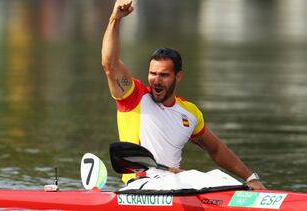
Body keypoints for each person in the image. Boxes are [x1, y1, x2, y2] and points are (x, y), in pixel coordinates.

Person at [101, 0, 265, 190]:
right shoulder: (134, 97)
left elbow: (217, 149)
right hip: (140, 185)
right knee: (205, 178)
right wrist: (115, 19)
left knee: (219, 177)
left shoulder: (189, 113)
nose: (156, 80)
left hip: (178, 185)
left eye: (164, 75)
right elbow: (109, 64)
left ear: (178, 77)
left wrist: (250, 177)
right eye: (153, 74)